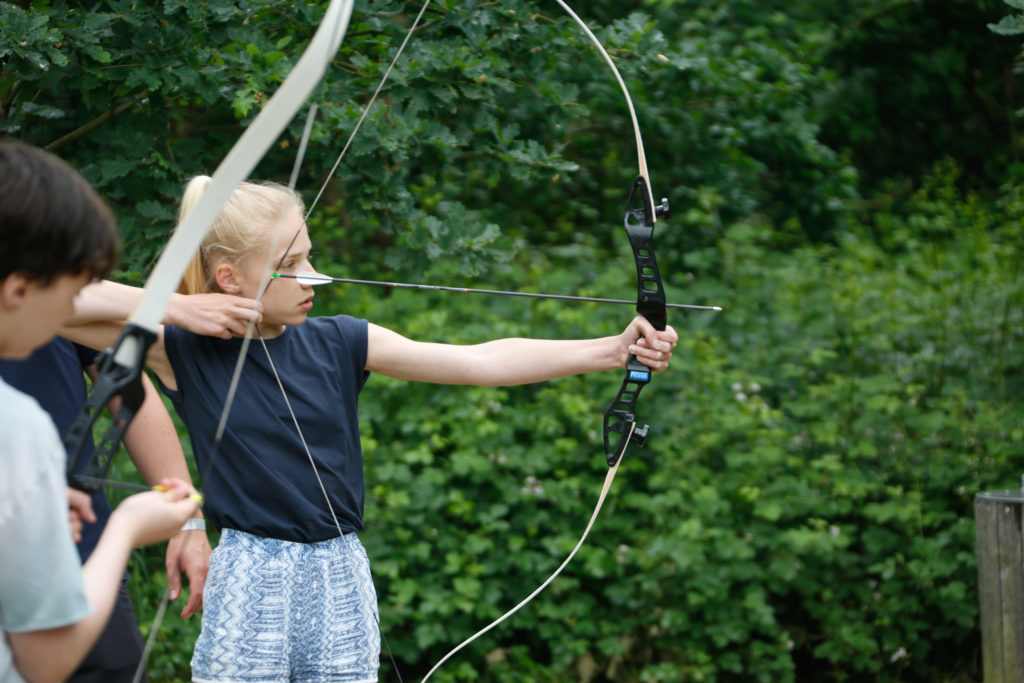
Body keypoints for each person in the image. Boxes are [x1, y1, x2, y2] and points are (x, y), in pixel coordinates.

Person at [62, 176, 679, 683]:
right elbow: (60, 303)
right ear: (229, 279)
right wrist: (172, 308)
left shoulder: (342, 340)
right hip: (250, 573)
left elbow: (478, 360)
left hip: (340, 574)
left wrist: (611, 350)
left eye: (308, 256)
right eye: (291, 265)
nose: (313, 276)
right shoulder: (184, 349)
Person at [0, 139, 202, 683]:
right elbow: (46, 661)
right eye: (69, 295)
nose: (74, 312)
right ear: (19, 288)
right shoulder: (17, 425)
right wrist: (128, 529)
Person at [0, 280, 260, 682]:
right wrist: (175, 308)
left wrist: (187, 521)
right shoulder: (21, 418)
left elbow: (127, 384)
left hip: (83, 552)